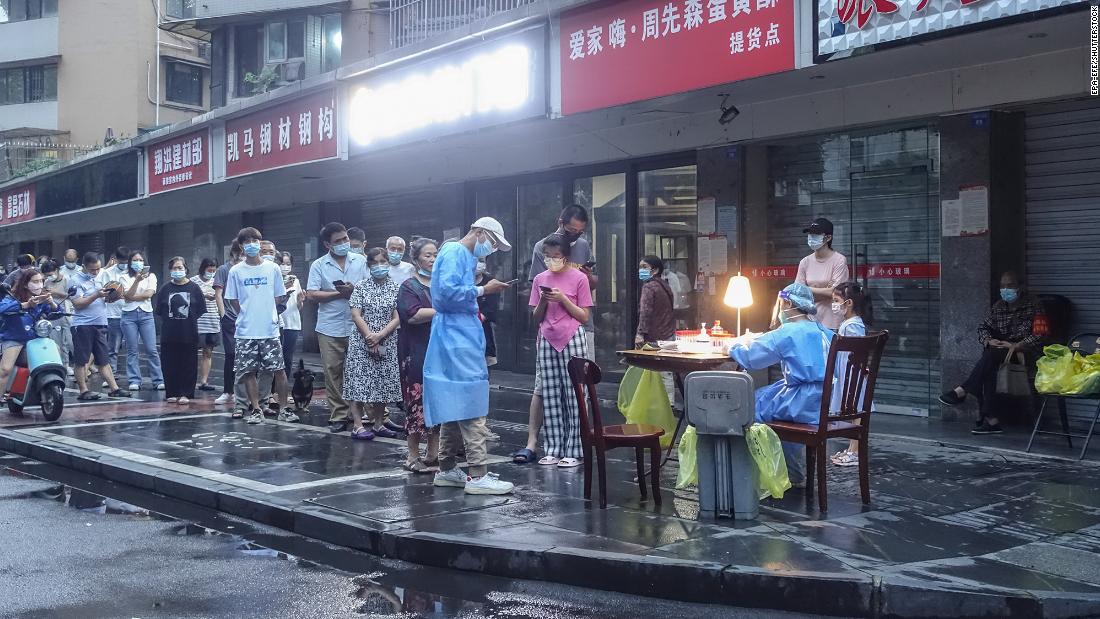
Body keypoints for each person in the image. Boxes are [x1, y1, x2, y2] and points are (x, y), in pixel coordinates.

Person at [425, 217, 514, 495]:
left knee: (454, 401)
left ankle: (447, 468)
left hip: (457, 333)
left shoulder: (460, 254)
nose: (492, 249)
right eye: (493, 243)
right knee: (472, 400)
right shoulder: (455, 252)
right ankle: (477, 474)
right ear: (480, 232)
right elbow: (449, 293)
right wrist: (484, 289)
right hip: (457, 336)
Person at [728, 283, 834, 485]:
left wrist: (733, 345)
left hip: (801, 402)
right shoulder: (825, 331)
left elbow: (751, 359)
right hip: (826, 401)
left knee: (750, 404)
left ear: (785, 302)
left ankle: (757, 471)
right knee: (768, 397)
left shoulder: (787, 332)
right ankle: (789, 468)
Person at [522, 205, 597, 466]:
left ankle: (575, 449)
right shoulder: (540, 275)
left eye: (556, 256)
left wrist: (564, 297)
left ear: (565, 256)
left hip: (574, 333)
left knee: (575, 391)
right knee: (550, 391)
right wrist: (544, 299)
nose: (552, 259)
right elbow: (535, 315)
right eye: (548, 256)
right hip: (547, 336)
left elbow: (585, 314)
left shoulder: (578, 273)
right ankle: (552, 447)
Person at [939, 271, 1041, 435]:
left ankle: (964, 391)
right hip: (1000, 354)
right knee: (990, 365)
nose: (1006, 289)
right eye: (1003, 286)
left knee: (990, 357)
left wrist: (1015, 345)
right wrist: (988, 340)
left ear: (1020, 287)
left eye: (1010, 285)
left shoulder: (1034, 305)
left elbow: (1040, 334)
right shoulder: (999, 306)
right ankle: (992, 421)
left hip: (1024, 354)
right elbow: (983, 327)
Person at [224, 228, 293, 424]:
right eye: (247, 241)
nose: (252, 244)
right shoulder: (236, 271)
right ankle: (255, 409)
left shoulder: (273, 269)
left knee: (279, 370)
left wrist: (266, 312)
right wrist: (247, 314)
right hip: (245, 331)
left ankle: (284, 409)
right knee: (248, 372)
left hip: (270, 330)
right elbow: (233, 300)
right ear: (241, 246)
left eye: (255, 240)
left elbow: (279, 296)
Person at [307, 223, 369, 432]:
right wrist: (339, 293)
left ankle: (363, 413)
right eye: (338, 241)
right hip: (329, 326)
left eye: (345, 239)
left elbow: (371, 287)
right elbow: (312, 295)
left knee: (360, 371)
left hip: (358, 325)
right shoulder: (319, 265)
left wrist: (354, 291)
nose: (344, 244)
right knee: (332, 372)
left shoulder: (360, 261)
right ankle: (339, 415)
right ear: (327, 245)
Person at [344, 248, 403, 440]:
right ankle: (358, 425)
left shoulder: (396, 288)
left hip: (387, 339)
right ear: (369, 266)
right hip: (362, 341)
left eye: (383, 261)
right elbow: (356, 314)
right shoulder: (361, 286)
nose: (379, 266)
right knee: (359, 383)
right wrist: (370, 336)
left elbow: (398, 316)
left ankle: (378, 424)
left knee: (382, 383)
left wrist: (381, 335)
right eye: (375, 262)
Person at [397, 238, 440, 473]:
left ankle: (433, 452)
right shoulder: (409, 286)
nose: (432, 259)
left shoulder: (442, 283)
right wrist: (442, 310)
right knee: (416, 401)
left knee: (438, 402)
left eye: (435, 254)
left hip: (441, 350)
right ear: (415, 259)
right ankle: (412, 454)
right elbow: (412, 314)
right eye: (427, 255)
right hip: (417, 351)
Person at [69, 253, 129, 401]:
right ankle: (83, 390)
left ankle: (114, 388)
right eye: (92, 270)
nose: (95, 272)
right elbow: (78, 304)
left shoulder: (100, 276)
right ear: (83, 267)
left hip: (100, 323)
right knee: (81, 360)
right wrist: (96, 295)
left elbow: (103, 297)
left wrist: (111, 296)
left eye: (97, 269)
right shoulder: (75, 281)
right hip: (83, 324)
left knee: (103, 359)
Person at [828, 282, 875, 467]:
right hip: (850, 374)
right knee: (856, 413)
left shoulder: (852, 325)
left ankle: (855, 452)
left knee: (857, 414)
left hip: (853, 375)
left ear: (848, 303)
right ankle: (851, 449)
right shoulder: (849, 324)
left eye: (836, 300)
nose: (834, 305)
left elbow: (857, 352)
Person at [155, 257, 206, 405]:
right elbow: (159, 310)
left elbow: (200, 310)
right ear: (170, 270)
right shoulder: (165, 289)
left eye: (180, 268)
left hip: (189, 333)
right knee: (169, 364)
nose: (177, 271)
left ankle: (186, 393)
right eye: (174, 268)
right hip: (169, 334)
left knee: (188, 364)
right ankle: (172, 392)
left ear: (186, 269)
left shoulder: (194, 288)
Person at [0, 269, 57, 391]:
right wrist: (25, 305)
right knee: (5, 370)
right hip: (14, 338)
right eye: (35, 281)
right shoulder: (12, 298)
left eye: (41, 281)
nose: (39, 285)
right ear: (25, 284)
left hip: (36, 338)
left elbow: (58, 311)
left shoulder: (42, 298)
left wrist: (52, 303)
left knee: (52, 359)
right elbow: (2, 308)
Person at [118, 251, 165, 391]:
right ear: (130, 262)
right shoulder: (124, 276)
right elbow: (126, 295)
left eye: (140, 260)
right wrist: (137, 282)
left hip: (146, 314)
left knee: (151, 349)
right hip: (129, 315)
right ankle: (134, 380)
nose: (138, 262)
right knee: (132, 350)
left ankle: (158, 380)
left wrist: (133, 296)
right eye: (135, 260)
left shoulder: (151, 276)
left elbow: (149, 294)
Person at [795, 218, 849, 330]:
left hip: (833, 323)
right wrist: (824, 291)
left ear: (828, 238)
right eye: (810, 234)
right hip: (810, 322)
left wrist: (809, 289)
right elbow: (798, 292)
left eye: (816, 235)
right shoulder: (805, 262)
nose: (811, 237)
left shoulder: (839, 260)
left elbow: (835, 292)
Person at [213, 242, 242, 406]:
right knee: (231, 355)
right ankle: (228, 391)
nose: (240, 256)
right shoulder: (223, 270)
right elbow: (218, 294)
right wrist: (223, 315)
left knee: (246, 357)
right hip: (230, 318)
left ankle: (242, 392)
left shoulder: (247, 269)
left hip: (247, 318)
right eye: (238, 252)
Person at [97, 247, 130, 377]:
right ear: (116, 260)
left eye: (126, 261)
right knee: (112, 348)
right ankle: (112, 373)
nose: (124, 264)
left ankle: (132, 374)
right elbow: (103, 291)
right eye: (121, 261)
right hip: (113, 314)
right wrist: (115, 294)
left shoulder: (134, 272)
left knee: (131, 347)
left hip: (130, 312)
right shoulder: (107, 273)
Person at [40, 260, 74, 374]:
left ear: (57, 270)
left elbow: (72, 296)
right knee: (56, 341)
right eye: (47, 275)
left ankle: (69, 364)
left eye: (50, 274)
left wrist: (56, 293)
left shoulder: (67, 280)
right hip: (53, 314)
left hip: (66, 312)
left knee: (68, 341)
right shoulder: (46, 282)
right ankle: (60, 364)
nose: (49, 277)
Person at [192, 258, 221, 391]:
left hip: (212, 320)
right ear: (203, 268)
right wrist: (203, 295)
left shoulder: (217, 281)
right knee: (191, 352)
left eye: (214, 270)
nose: (211, 273)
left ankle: (204, 381)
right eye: (209, 270)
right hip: (197, 321)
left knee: (208, 351)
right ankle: (189, 379)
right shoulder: (193, 281)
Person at [635, 255, 675, 346]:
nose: (641, 270)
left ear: (655, 270)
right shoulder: (665, 285)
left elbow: (645, 311)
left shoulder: (649, 287)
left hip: (654, 337)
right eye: (640, 267)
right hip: (669, 335)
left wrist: (640, 334)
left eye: (644, 267)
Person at [277, 251, 303, 375]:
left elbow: (299, 306)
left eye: (288, 264)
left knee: (288, 358)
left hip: (293, 323)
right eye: (282, 263)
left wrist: (300, 301)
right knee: (275, 358)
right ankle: (272, 390)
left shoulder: (295, 281)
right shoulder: (274, 279)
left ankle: (283, 390)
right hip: (277, 324)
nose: (285, 266)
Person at [474, 260, 500, 367]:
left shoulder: (491, 282)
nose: (477, 264)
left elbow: (490, 309)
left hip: (483, 329)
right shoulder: (460, 281)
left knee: (485, 362)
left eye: (481, 260)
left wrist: (475, 320)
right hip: (461, 332)